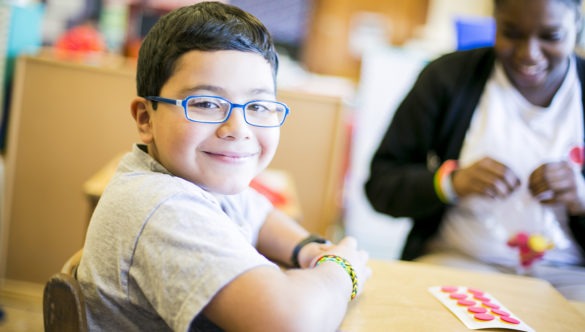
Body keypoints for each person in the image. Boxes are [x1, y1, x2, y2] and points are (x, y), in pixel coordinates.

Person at [77, 2, 370, 331]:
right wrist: (341, 268)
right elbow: (290, 324)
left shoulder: (193, 178)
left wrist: (306, 249)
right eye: (206, 103)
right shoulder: (163, 206)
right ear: (146, 119)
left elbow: (259, 214)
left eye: (258, 105)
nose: (237, 128)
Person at [365, 0, 585, 301]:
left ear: (578, 30)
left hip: (570, 276)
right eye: (512, 33)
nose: (529, 53)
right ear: (494, 24)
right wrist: (449, 183)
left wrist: (581, 197)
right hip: (460, 261)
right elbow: (380, 185)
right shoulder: (446, 77)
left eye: (551, 36)